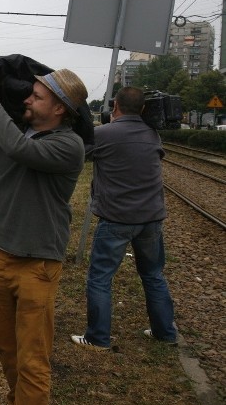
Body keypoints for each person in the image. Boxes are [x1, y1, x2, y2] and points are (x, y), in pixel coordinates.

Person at [0, 68, 88, 405]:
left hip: (38, 264)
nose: (28, 98)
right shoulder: (13, 133)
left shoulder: (68, 145)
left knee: (32, 360)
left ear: (59, 109)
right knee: (6, 349)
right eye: (29, 93)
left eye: (38, 96)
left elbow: (19, 150)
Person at [71, 87, 177, 351]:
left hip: (117, 218)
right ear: (142, 109)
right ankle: (165, 333)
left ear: (114, 106)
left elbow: (78, 155)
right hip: (151, 218)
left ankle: (97, 338)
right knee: (153, 275)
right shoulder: (153, 134)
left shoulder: (104, 134)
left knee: (100, 277)